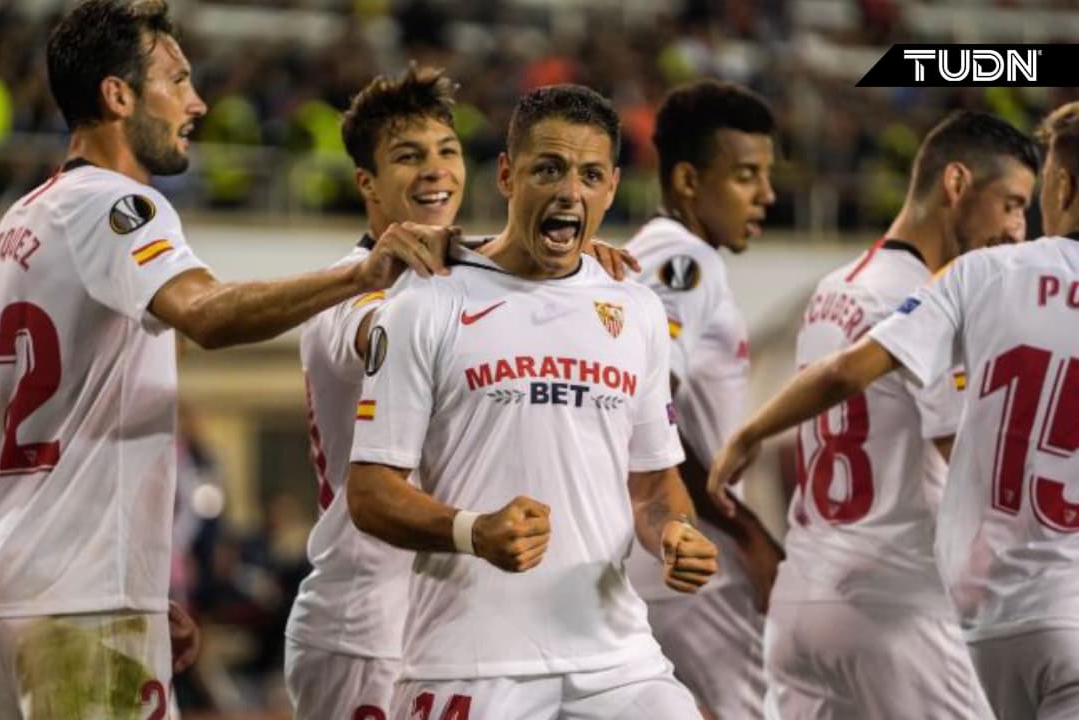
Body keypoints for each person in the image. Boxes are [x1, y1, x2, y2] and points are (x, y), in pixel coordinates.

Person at [0, 2, 450, 717]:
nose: (198, 102)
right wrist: (359, 275)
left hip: (3, 590)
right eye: (178, 80)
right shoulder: (118, 204)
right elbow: (207, 314)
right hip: (81, 596)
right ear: (118, 95)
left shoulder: (17, 223)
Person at [346, 84, 718, 720]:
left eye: (590, 175)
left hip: (617, 659)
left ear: (612, 187)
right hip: (470, 661)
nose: (570, 191)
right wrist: (473, 531)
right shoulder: (425, 302)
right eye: (549, 169)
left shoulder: (636, 309)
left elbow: (655, 483)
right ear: (506, 175)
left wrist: (675, 533)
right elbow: (370, 492)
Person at [284, 64, 639, 720]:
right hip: (363, 620)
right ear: (367, 183)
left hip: (449, 613)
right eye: (407, 157)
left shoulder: (456, 277)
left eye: (447, 151)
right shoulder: (351, 288)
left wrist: (567, 263)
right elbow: (386, 328)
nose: (435, 171)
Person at [709, 101, 1079, 720]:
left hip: (804, 598)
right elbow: (965, 450)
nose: (1019, 227)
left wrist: (750, 431)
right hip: (902, 602)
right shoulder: (937, 292)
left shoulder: (836, 287)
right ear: (957, 184)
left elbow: (841, 376)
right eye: (1012, 205)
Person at [621, 79, 781, 718]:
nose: (766, 194)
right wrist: (748, 533)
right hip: (695, 559)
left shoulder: (646, 254)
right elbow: (645, 405)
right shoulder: (683, 261)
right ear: (688, 180)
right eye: (746, 175)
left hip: (656, 551)